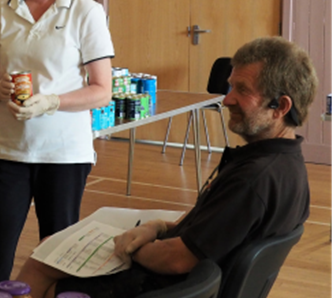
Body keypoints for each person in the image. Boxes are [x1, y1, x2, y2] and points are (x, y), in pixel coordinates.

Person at [16, 36, 318, 298]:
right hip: (186, 283)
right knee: (51, 247)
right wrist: (157, 227)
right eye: (231, 87)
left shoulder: (253, 180)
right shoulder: (287, 167)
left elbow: (177, 259)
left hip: (166, 288)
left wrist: (126, 246)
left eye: (242, 89)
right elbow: (213, 233)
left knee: (43, 262)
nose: (227, 100)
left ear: (280, 107)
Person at [0, 0, 115, 283]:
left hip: (64, 153)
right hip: (9, 149)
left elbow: (102, 90)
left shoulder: (86, 11)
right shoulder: (0, 10)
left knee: (59, 252)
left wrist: (52, 102)